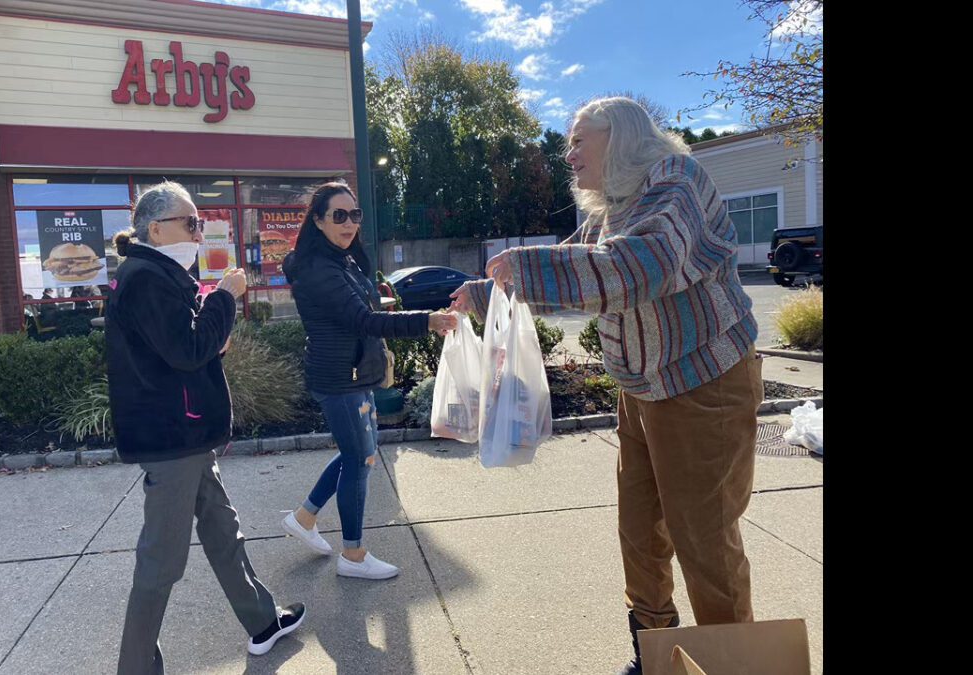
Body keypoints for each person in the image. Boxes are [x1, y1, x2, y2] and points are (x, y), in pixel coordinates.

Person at [451, 97, 764, 675]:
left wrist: (525, 266)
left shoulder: (676, 181)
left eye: (577, 141)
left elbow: (645, 265)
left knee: (705, 541)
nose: (567, 154)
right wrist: (483, 292)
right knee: (640, 533)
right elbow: (577, 267)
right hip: (641, 387)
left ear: (619, 137)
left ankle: (735, 665)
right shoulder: (613, 204)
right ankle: (655, 655)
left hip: (703, 383)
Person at [106, 181, 304, 673]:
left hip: (185, 434)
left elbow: (179, 348)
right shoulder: (149, 277)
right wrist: (225, 297)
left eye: (199, 223)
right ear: (156, 227)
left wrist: (211, 335)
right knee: (162, 561)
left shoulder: (155, 273)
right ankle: (135, 666)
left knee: (222, 530)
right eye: (190, 222)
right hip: (174, 438)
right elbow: (188, 349)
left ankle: (262, 621)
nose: (198, 231)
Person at [279, 182, 457, 580]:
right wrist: (426, 320)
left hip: (354, 371)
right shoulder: (319, 267)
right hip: (339, 378)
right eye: (338, 216)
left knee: (356, 453)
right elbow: (361, 320)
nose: (349, 223)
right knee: (360, 460)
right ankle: (353, 555)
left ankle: (304, 518)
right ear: (319, 221)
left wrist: (390, 306)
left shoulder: (342, 260)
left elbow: (364, 309)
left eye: (354, 215)